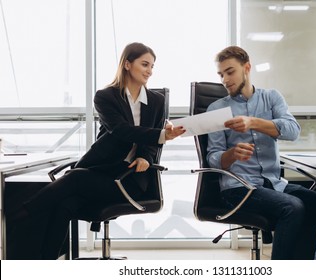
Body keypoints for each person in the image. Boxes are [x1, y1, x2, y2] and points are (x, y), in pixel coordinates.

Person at [7, 42, 185, 259]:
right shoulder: (106, 97)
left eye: (152, 66)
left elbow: (152, 141)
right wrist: (160, 134)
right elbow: (121, 131)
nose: (150, 71)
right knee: (64, 206)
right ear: (127, 64)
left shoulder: (156, 101)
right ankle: (46, 264)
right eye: (145, 64)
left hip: (130, 179)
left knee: (74, 178)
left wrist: (145, 156)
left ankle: (18, 215)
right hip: (101, 170)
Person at [206, 46, 316, 260]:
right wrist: (232, 154)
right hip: (238, 188)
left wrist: (253, 123)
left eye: (230, 72)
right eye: (221, 74)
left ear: (246, 68)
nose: (225, 80)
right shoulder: (216, 110)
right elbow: (213, 158)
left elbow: (292, 131)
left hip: (273, 183)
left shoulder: (271, 98)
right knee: (292, 207)